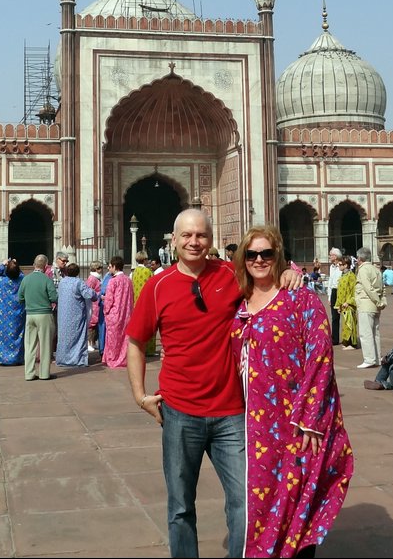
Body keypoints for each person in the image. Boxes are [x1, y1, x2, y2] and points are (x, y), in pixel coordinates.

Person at [126, 209, 252, 558]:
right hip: (180, 412)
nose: (194, 242)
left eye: (201, 235)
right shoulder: (158, 284)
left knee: (245, 501)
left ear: (210, 239)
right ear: (174, 239)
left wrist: (288, 275)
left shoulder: (233, 274)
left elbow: (269, 290)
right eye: (187, 235)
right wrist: (140, 396)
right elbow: (136, 341)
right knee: (180, 506)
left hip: (232, 412)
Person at [230, 225, 354, 558]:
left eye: (266, 254)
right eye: (252, 254)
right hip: (255, 424)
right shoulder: (239, 301)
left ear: (278, 256)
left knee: (298, 497)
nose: (259, 260)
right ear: (243, 258)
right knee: (264, 498)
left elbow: (321, 357)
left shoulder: (301, 298)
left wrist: (310, 418)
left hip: (295, 421)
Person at [18, 254, 58, 380]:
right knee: (45, 345)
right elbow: (54, 298)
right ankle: (44, 374)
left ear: (34, 265)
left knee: (30, 345)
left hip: (30, 314)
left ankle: (29, 374)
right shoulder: (47, 280)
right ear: (46, 266)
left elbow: (20, 297)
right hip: (45, 314)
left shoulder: (25, 279)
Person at [55, 262, 97, 367]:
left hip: (63, 315)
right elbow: (89, 294)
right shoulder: (78, 282)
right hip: (76, 315)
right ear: (77, 273)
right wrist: (96, 295)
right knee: (77, 337)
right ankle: (77, 359)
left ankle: (63, 358)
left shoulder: (62, 282)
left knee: (64, 337)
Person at [0, 258, 25, 365]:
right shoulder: (21, 280)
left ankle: (2, 358)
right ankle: (16, 358)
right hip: (17, 312)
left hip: (2, 312)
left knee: (1, 333)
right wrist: (15, 264)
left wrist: (2, 264)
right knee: (17, 334)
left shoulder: (1, 281)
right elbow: (21, 273)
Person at [354, 247, 384, 369]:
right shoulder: (376, 269)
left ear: (360, 258)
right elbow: (382, 287)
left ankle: (369, 359)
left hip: (366, 303)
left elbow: (367, 288)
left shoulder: (363, 270)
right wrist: (381, 301)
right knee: (375, 332)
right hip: (375, 305)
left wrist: (377, 300)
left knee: (365, 333)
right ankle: (377, 358)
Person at [102, 255, 133, 368]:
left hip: (115, 314)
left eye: (110, 266)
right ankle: (123, 358)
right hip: (127, 314)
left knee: (113, 339)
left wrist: (106, 310)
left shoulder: (113, 281)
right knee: (124, 338)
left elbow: (109, 299)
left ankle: (113, 358)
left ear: (115, 266)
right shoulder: (128, 280)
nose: (109, 269)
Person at [131, 251, 155, 355]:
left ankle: (140, 348)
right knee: (150, 326)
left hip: (136, 301)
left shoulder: (134, 272)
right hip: (147, 302)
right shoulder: (148, 271)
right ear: (144, 260)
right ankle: (149, 350)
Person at [334, 255, 358, 351]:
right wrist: (338, 305)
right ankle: (347, 341)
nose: (338, 266)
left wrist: (349, 302)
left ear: (346, 265)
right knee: (345, 324)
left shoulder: (351, 276)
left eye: (340, 264)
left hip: (348, 305)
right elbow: (340, 292)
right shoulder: (343, 276)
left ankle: (352, 343)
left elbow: (354, 291)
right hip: (343, 304)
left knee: (350, 323)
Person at [85, 260, 103, 353]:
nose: (101, 270)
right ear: (96, 269)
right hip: (93, 304)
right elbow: (89, 290)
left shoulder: (97, 278)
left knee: (96, 324)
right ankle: (88, 343)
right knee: (91, 324)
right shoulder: (92, 278)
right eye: (100, 268)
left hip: (97, 303)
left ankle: (93, 342)